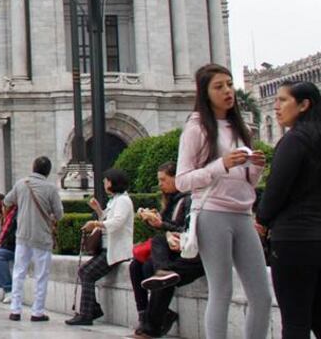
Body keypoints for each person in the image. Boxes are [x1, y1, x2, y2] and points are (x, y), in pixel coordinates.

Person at [175, 63, 270, 339]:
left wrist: (256, 167)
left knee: (261, 295)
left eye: (229, 84)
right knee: (222, 291)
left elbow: (247, 182)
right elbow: (182, 180)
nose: (227, 91)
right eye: (219, 86)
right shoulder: (196, 128)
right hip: (212, 214)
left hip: (243, 214)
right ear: (205, 93)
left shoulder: (240, 128)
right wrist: (221, 165)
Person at [257, 81, 321, 339]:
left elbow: (276, 190)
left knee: (295, 321)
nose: (276, 107)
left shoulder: (294, 140)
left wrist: (262, 219)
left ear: (304, 105)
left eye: (283, 100)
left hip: (295, 238)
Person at [130, 162, 203, 338]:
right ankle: (148, 317)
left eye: (163, 180)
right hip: (178, 250)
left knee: (161, 272)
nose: (160, 184)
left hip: (193, 254)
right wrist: (157, 221)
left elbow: (186, 229)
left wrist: (162, 225)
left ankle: (150, 326)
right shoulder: (173, 200)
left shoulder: (189, 199)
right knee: (141, 266)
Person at [65, 168, 135, 326]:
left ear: (112, 182)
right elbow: (109, 219)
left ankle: (87, 313)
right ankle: (91, 309)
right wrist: (98, 210)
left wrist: (96, 223)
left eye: (106, 180)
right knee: (84, 271)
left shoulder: (123, 200)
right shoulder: (115, 200)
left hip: (116, 250)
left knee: (86, 272)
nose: (104, 183)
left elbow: (117, 223)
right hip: (107, 248)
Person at [5, 155, 64, 322]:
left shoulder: (21, 184)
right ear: (48, 171)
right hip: (42, 237)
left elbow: (8, 201)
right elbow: (59, 214)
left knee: (19, 272)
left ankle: (15, 310)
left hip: (23, 235)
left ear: (33, 167)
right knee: (41, 275)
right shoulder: (50, 188)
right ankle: (37, 312)